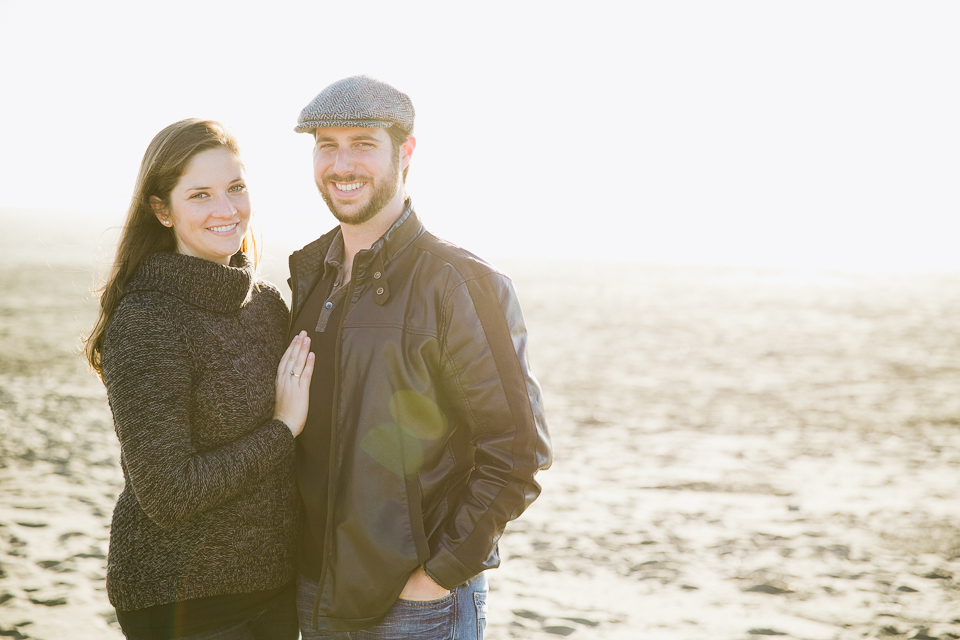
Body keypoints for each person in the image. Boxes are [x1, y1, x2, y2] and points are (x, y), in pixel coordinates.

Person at [288, 75, 552, 639]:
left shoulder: (461, 285)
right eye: (326, 146)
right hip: (315, 597)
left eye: (362, 143)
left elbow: (518, 450)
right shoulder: (311, 279)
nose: (341, 164)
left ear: (405, 152)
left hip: (415, 608)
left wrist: (440, 573)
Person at [84, 118, 314, 640]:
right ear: (162, 210)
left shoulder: (267, 307)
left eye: (235, 188)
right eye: (201, 195)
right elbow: (167, 493)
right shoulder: (147, 321)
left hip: (276, 588)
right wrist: (283, 429)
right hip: (185, 603)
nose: (226, 210)